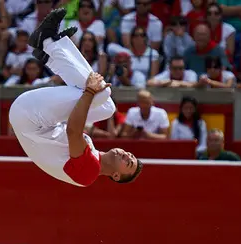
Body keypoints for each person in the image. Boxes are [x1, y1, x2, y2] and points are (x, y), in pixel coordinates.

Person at [9, 8, 142, 187]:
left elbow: (73, 130)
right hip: (36, 119)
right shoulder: (92, 153)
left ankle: (49, 43)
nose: (127, 155)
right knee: (107, 107)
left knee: (101, 94)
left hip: (30, 118)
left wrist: (89, 92)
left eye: (128, 162)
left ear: (116, 176)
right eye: (130, 155)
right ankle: (49, 51)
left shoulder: (89, 173)